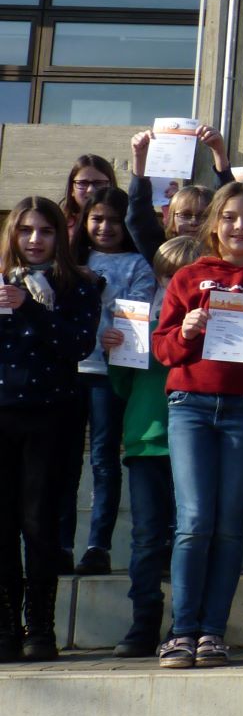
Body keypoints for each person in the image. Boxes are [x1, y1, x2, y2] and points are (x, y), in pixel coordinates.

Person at [152, 183, 243, 668]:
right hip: (190, 405)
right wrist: (186, 331)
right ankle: (182, 630)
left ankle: (212, 632)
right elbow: (162, 349)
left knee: (229, 526)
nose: (240, 227)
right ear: (215, 222)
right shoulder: (191, 276)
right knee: (194, 522)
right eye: (231, 217)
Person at [0, 198, 103, 661]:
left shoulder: (79, 285)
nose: (35, 240)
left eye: (45, 231)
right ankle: (4, 626)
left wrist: (31, 308)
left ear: (60, 237)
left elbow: (78, 344)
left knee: (40, 524)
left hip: (52, 415)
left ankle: (40, 627)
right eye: (26, 231)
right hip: (2, 414)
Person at [107, 235, 201, 657]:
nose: (173, 285)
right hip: (147, 443)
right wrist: (116, 353)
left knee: (190, 533)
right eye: (166, 276)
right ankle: (144, 623)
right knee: (146, 537)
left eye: (184, 277)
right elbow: (122, 385)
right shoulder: (138, 322)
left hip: (197, 444)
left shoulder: (210, 323)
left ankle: (188, 623)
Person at [66, 186, 157, 576]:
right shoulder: (70, 260)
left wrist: (97, 290)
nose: (104, 227)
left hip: (108, 372)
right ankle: (59, 544)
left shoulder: (138, 264)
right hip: (66, 372)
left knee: (104, 458)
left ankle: (97, 545)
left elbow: (137, 316)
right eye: (97, 219)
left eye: (114, 220)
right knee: (66, 462)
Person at [126, 125, 235, 262]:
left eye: (203, 216)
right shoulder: (162, 252)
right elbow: (138, 215)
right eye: (185, 215)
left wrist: (219, 152)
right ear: (171, 220)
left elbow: (230, 202)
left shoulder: (224, 253)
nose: (194, 222)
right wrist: (139, 157)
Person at [61, 154, 116, 227]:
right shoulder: (58, 226)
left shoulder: (124, 225)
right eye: (83, 183)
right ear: (72, 189)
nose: (90, 190)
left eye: (99, 183)